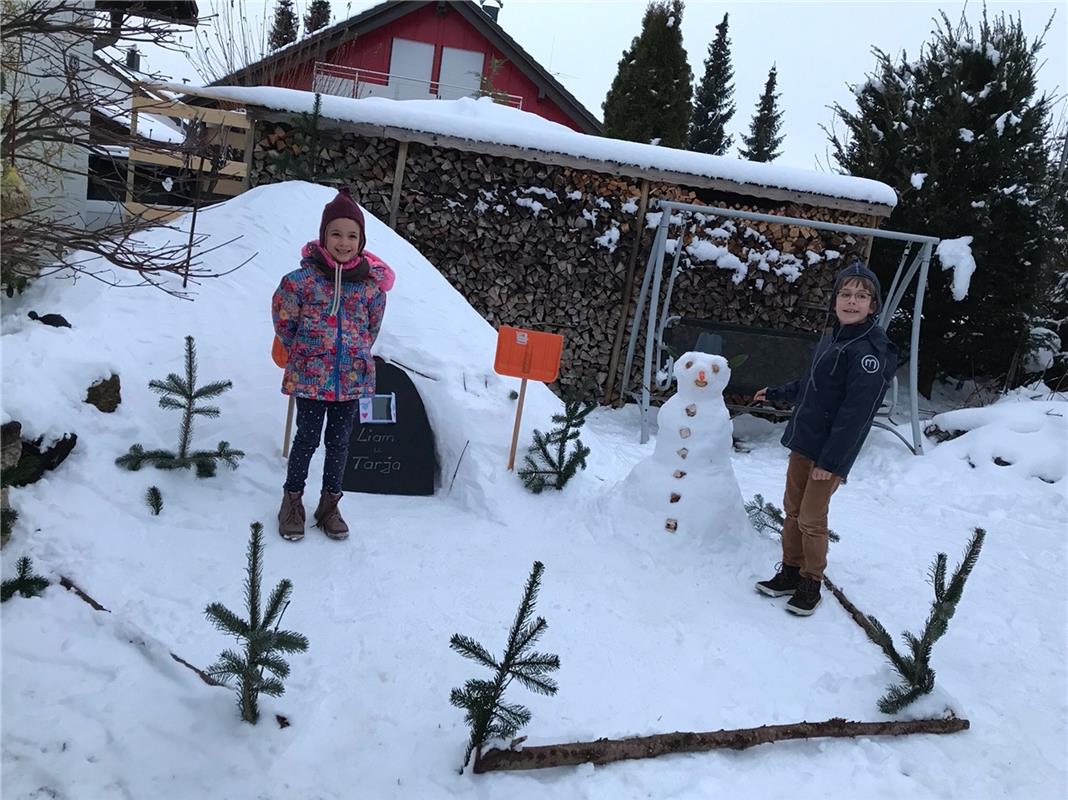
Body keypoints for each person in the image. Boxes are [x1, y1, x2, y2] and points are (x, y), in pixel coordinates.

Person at [753, 258, 896, 615]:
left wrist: (829, 462)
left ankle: (810, 582)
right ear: (834, 301)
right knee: (792, 510)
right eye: (845, 294)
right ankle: (788, 571)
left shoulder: (869, 354)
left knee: (812, 518)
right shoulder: (832, 339)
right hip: (805, 441)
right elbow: (811, 385)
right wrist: (776, 392)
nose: (851, 301)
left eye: (861, 297)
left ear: (872, 306)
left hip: (828, 454)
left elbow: (855, 416)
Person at [272, 188, 395, 542]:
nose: (344, 242)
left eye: (352, 235)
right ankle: (292, 501)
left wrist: (354, 353)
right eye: (336, 233)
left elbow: (371, 329)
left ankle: (330, 504)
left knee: (340, 443)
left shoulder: (372, 290)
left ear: (361, 241)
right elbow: (284, 322)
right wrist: (307, 351)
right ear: (324, 236)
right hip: (311, 378)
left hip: (351, 379)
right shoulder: (300, 282)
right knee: (307, 439)